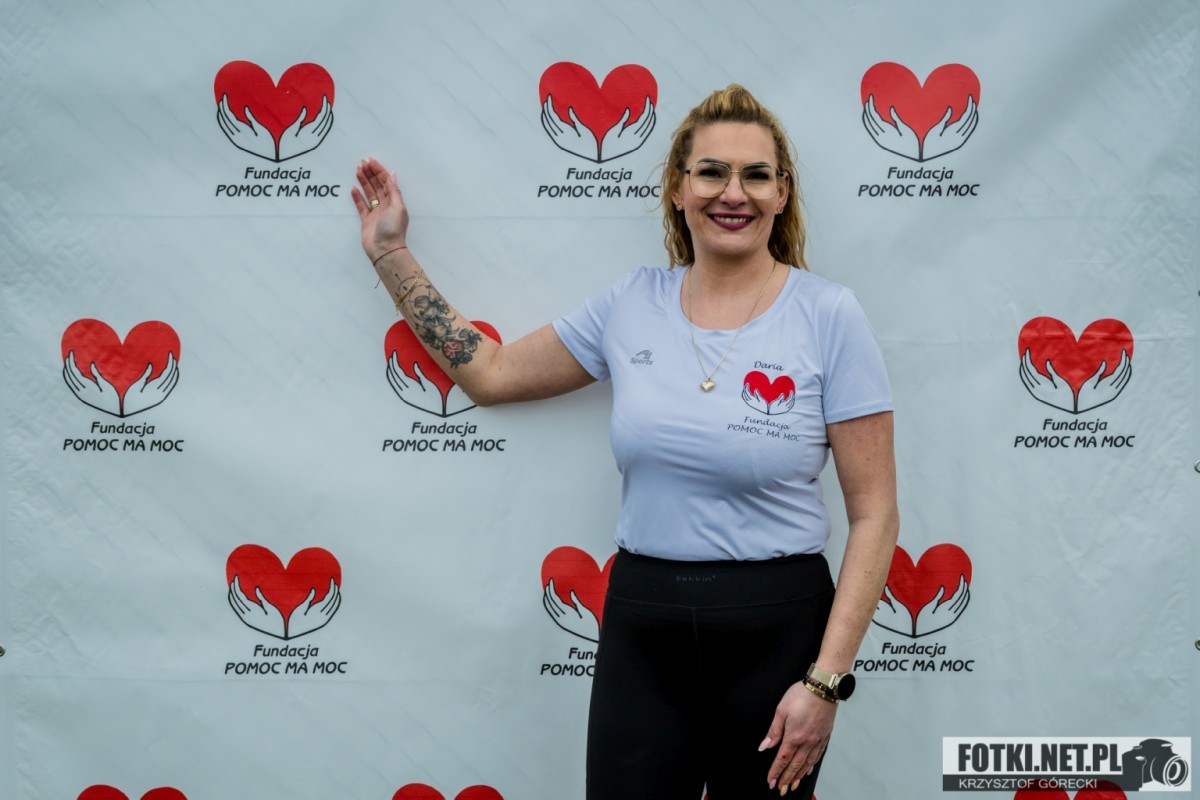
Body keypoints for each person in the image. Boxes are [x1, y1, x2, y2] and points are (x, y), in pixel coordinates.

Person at [352, 84, 899, 800]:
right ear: (677, 187)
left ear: (781, 193)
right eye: (711, 172)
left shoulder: (829, 314)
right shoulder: (631, 303)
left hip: (778, 629)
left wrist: (825, 682)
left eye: (756, 175)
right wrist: (390, 252)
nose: (733, 193)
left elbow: (875, 515)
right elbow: (490, 373)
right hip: (644, 625)